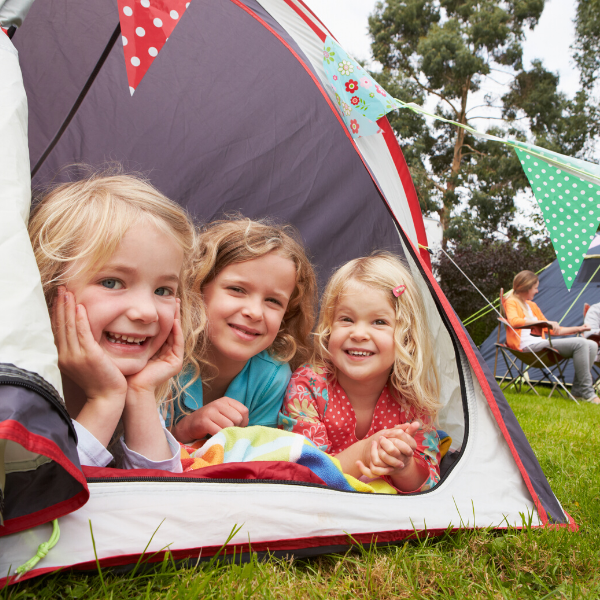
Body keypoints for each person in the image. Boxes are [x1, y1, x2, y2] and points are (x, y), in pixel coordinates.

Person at [29, 171, 200, 469]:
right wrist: (104, 401)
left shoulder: (139, 388)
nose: (146, 311)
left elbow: (160, 504)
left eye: (163, 290)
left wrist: (141, 394)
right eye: (112, 282)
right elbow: (38, 501)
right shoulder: (15, 398)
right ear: (46, 288)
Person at [278, 252, 441, 493]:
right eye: (346, 319)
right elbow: (305, 473)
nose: (359, 334)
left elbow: (430, 484)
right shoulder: (308, 386)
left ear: (406, 337)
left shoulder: (412, 398)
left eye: (379, 322)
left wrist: (403, 466)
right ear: (328, 327)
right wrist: (366, 451)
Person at [169, 218, 317, 443]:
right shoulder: (164, 353)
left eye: (273, 301)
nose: (255, 312)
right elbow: (133, 452)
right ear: (197, 287)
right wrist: (185, 430)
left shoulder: (272, 376)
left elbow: (254, 460)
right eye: (237, 290)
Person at [504, 270, 599, 404]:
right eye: (535, 288)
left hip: (541, 345)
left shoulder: (532, 305)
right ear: (526, 287)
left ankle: (578, 392)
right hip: (528, 348)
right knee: (581, 344)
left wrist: (579, 328)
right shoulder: (511, 302)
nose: (537, 291)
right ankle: (588, 393)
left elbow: (553, 330)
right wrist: (543, 323)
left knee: (592, 344)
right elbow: (514, 322)